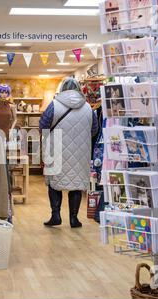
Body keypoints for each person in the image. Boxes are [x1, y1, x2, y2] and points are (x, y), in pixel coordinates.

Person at [39, 77, 99, 228]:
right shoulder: (88, 108)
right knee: (76, 183)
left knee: (54, 182)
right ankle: (74, 218)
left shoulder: (54, 105)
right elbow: (94, 129)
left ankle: (56, 215)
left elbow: (43, 126)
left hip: (56, 149)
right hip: (81, 152)